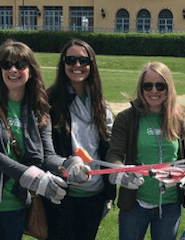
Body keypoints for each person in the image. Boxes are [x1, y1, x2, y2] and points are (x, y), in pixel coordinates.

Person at [0, 40, 90, 240]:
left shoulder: (40, 109)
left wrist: (69, 165)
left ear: (30, 70)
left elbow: (47, 156)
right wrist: (34, 178)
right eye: (6, 64)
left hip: (14, 204)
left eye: (20, 65)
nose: (12, 70)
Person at [105, 62, 185, 240]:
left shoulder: (179, 118)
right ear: (140, 88)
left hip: (169, 204)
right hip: (134, 203)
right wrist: (122, 175)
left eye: (160, 85)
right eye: (147, 86)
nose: (154, 91)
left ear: (169, 88)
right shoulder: (126, 118)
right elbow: (114, 155)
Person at [44, 38, 116, 240]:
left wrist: (114, 179)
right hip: (61, 196)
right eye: (71, 60)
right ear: (63, 64)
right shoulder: (49, 100)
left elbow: (108, 145)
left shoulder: (99, 102)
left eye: (83, 61)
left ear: (91, 65)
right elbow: (44, 151)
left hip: (95, 196)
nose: (77, 65)